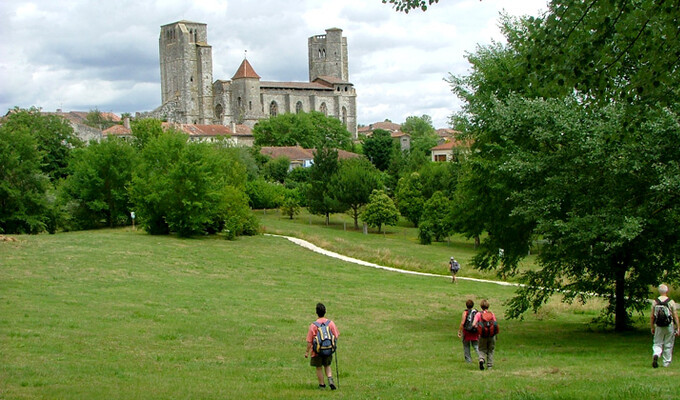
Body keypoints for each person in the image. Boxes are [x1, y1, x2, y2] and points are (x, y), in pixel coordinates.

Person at [305, 303, 340, 389]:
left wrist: (307, 352)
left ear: (316, 312)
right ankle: (330, 379)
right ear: (325, 311)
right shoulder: (330, 323)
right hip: (328, 350)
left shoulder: (313, 325)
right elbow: (336, 335)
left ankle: (322, 384)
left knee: (319, 367)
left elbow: (310, 341)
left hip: (317, 351)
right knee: (327, 365)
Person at [651, 284, 679, 368]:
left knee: (657, 342)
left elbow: (652, 316)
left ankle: (656, 354)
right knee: (668, 344)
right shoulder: (671, 302)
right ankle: (666, 362)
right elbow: (675, 315)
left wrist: (652, 327)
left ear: (659, 291)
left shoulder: (655, 302)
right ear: (667, 291)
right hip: (669, 326)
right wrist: (678, 327)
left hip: (658, 326)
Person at [473, 299, 498, 371]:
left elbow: (474, 324)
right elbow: (495, 323)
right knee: (490, 350)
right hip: (491, 335)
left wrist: (478, 328)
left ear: (481, 306)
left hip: (482, 335)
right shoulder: (491, 314)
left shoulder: (478, 314)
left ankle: (481, 359)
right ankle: (489, 366)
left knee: (482, 349)